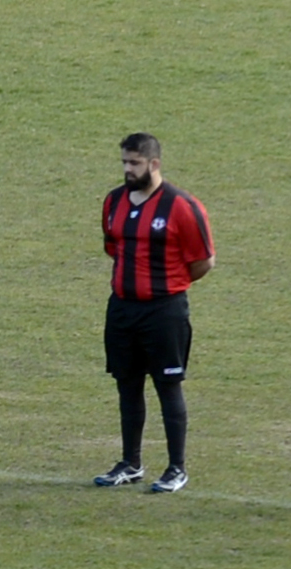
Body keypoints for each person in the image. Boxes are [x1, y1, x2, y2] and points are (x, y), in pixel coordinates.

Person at [93, 133, 207, 492]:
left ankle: (177, 467)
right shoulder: (114, 201)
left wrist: (166, 285)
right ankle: (131, 462)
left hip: (165, 312)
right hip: (123, 309)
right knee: (127, 385)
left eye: (135, 163)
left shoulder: (182, 207)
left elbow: (204, 261)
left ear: (154, 164)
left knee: (167, 386)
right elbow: (113, 246)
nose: (128, 169)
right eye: (124, 162)